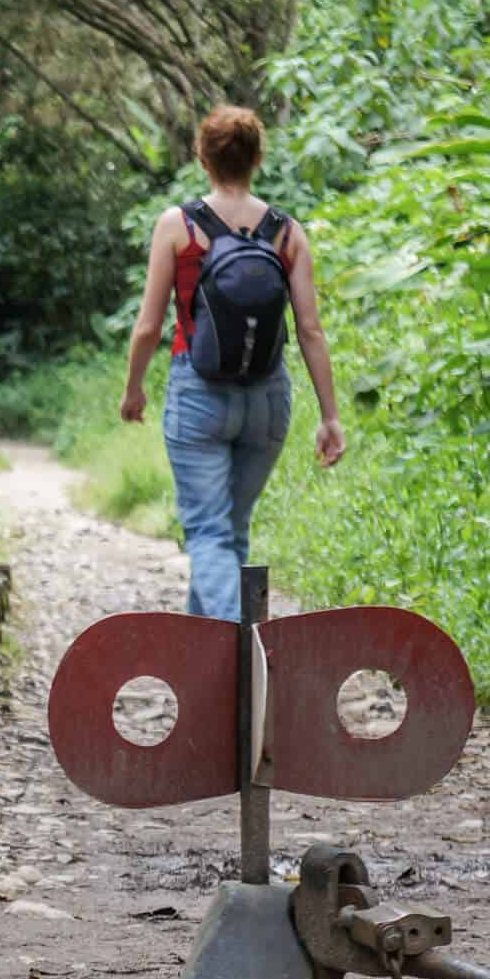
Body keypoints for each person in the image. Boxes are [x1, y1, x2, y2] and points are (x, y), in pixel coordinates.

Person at [118, 105, 345, 620]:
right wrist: (330, 416)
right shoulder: (286, 233)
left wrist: (134, 390)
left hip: (197, 394)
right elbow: (309, 329)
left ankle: (243, 645)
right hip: (268, 398)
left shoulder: (178, 226)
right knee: (229, 535)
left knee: (208, 534)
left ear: (202, 157)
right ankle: (221, 679)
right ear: (258, 159)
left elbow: (149, 326)